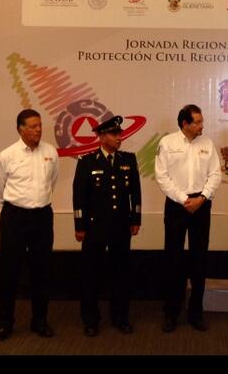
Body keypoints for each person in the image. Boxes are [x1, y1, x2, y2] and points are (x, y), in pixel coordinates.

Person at [0, 109, 59, 341]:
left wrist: (37, 203)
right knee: (9, 272)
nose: (38, 130)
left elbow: (52, 181)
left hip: (42, 217)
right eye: (33, 126)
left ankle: (39, 321)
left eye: (40, 125)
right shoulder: (7, 155)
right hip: (15, 217)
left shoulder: (50, 152)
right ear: (21, 129)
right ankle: (4, 323)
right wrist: (17, 206)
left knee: (42, 271)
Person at [72, 115, 142, 336]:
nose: (119, 137)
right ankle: (90, 319)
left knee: (121, 273)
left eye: (119, 133)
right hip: (95, 227)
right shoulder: (87, 162)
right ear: (102, 137)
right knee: (91, 273)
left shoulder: (128, 160)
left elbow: (135, 193)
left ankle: (120, 317)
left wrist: (135, 219)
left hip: (121, 226)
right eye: (114, 134)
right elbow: (79, 196)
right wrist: (80, 225)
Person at [154, 104, 221, 332]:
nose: (202, 125)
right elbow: (162, 177)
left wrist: (202, 198)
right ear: (185, 124)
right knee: (173, 259)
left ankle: (196, 313)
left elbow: (215, 174)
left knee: (199, 258)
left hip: (201, 205)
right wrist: (184, 199)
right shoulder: (167, 143)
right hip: (176, 205)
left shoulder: (207, 144)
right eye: (197, 122)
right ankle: (171, 313)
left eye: (202, 121)